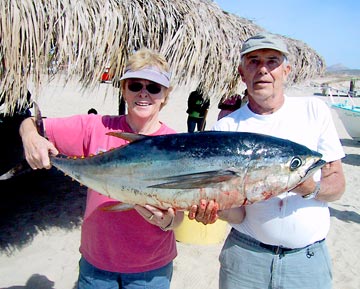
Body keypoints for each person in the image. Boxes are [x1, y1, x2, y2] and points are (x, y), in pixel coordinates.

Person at [189, 32, 346, 289]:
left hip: (306, 263)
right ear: (241, 73)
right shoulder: (226, 127)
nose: (263, 69)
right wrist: (214, 211)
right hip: (246, 259)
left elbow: (337, 184)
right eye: (253, 61)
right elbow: (238, 214)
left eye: (272, 61)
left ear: (286, 71)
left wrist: (310, 188)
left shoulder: (314, 111)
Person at [19, 48, 184, 289]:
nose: (144, 94)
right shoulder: (95, 127)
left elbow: (179, 216)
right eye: (135, 85)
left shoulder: (176, 145)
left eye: (154, 87)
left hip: (150, 272)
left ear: (165, 95)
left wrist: (168, 222)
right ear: (124, 91)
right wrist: (29, 136)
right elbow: (33, 123)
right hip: (96, 266)